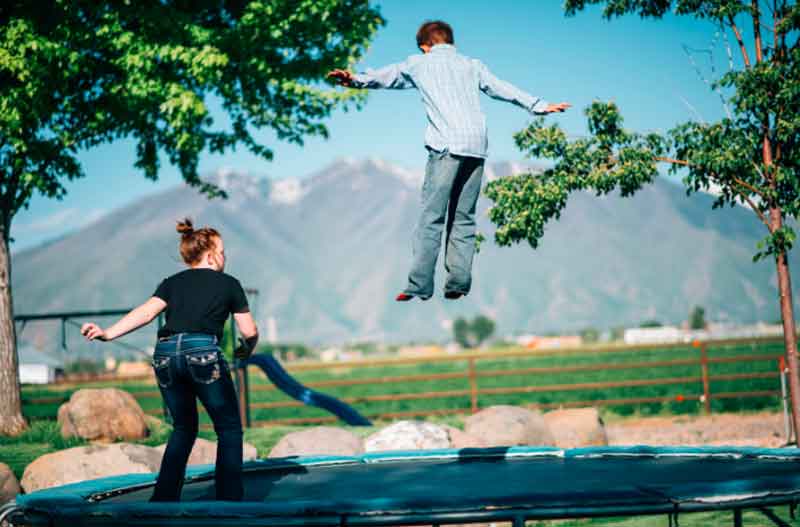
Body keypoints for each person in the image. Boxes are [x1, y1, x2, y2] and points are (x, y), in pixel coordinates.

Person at [328, 20, 570, 302]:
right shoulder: (472, 65)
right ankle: (458, 282)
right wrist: (539, 105)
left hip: (446, 147)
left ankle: (419, 285)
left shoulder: (419, 64)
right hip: (476, 148)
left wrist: (354, 78)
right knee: (464, 218)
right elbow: (502, 88)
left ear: (424, 46)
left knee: (432, 217)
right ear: (451, 42)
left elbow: (387, 76)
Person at [80, 218, 259, 502]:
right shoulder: (229, 284)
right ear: (212, 255)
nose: (226, 257)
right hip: (202, 353)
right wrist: (241, 354)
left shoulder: (171, 283)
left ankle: (162, 500)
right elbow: (249, 332)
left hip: (164, 356)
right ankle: (228, 501)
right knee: (228, 428)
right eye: (223, 251)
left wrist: (107, 333)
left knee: (184, 427)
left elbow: (146, 313)